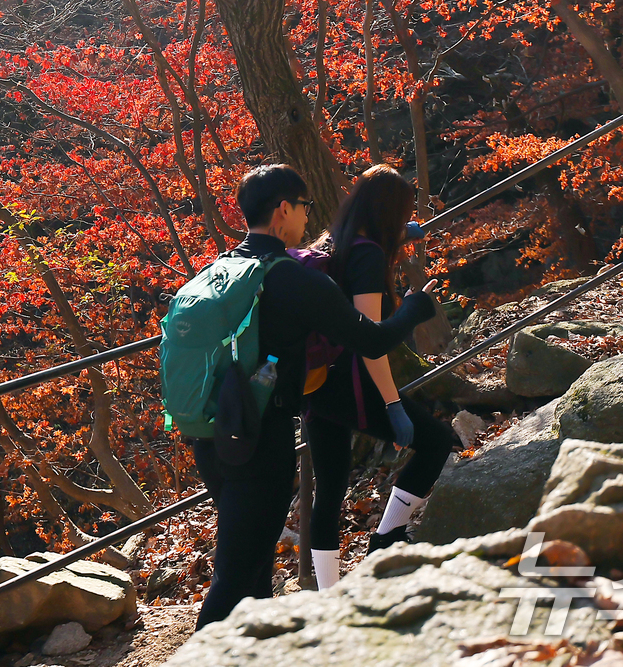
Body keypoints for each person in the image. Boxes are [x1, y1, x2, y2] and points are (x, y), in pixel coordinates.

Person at [187, 164, 440, 629]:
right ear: (283, 210)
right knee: (236, 579)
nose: (308, 216)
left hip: (210, 433)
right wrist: (412, 310)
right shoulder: (289, 277)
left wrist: (396, 235)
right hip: (259, 442)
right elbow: (371, 340)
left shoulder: (224, 269)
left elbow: (326, 249)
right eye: (303, 207)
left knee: (255, 571)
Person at [303, 165, 458, 590]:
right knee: (437, 441)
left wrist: (401, 234)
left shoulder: (335, 241)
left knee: (330, 489)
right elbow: (369, 340)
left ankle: (328, 594)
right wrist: (392, 405)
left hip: (315, 382)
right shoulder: (369, 255)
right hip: (352, 382)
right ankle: (387, 537)